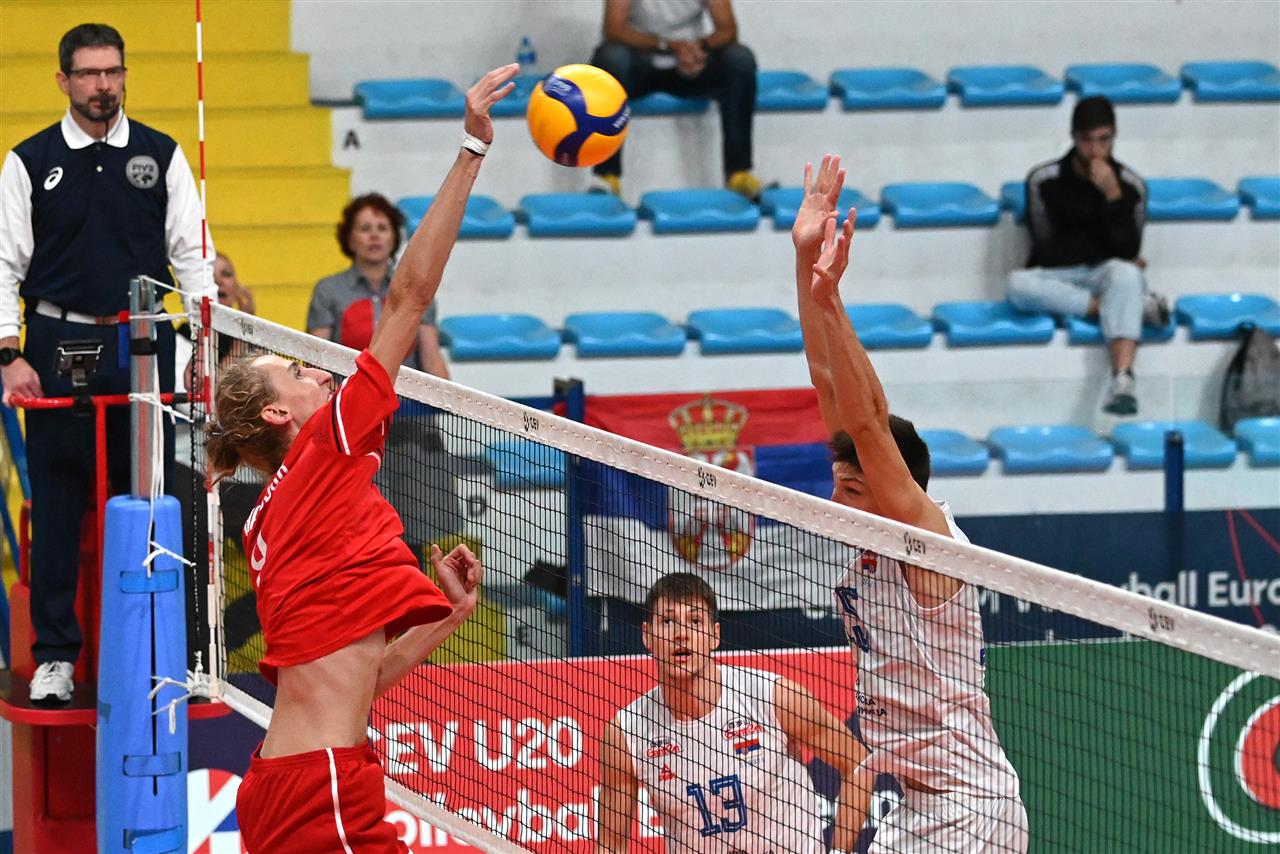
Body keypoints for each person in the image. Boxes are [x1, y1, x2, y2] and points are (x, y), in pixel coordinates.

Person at [204, 63, 518, 853]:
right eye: (297, 370)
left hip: (292, 781)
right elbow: (409, 296)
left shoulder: (270, 522)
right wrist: (471, 150)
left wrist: (449, 615)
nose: (320, 372)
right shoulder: (322, 452)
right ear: (279, 414)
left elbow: (360, 679)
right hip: (324, 791)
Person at [794, 156, 1028, 852]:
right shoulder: (866, 538)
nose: (837, 499)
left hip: (970, 806)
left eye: (853, 487)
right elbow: (828, 383)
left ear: (896, 489)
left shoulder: (924, 536)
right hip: (918, 803)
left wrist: (833, 300)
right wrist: (805, 258)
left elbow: (868, 424)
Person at [0, 23, 213, 704]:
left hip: (142, 345)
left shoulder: (162, 155)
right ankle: (55, 659)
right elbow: (4, 266)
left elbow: (193, 259)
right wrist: (8, 355)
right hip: (54, 346)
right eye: (90, 73)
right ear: (63, 80)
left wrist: (203, 348)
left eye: (113, 72)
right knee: (58, 508)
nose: (103, 86)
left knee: (152, 503)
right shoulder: (28, 161)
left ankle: (161, 652)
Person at [596, 572, 870, 853]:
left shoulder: (774, 698)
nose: (681, 634)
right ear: (647, 635)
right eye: (667, 621)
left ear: (714, 635)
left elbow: (858, 762)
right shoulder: (626, 733)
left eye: (695, 621)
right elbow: (609, 845)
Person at [1006, 95, 1170, 416]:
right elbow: (1046, 248)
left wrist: (1112, 196)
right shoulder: (1044, 179)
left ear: (1114, 136)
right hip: (1059, 275)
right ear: (1074, 137)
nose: (1095, 150)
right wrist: (1104, 249)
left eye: (1104, 140)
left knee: (1126, 274)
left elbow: (1128, 250)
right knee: (1017, 284)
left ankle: (1122, 379)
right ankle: (1129, 305)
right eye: (1087, 140)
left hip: (1106, 273)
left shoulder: (1130, 185)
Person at [590, 0, 763, 201]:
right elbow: (614, 29)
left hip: (690, 65)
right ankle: (607, 176)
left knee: (740, 59)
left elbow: (728, 29)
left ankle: (738, 174)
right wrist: (668, 46)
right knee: (610, 58)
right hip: (640, 63)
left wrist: (698, 49)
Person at [307, 192, 449, 378]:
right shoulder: (327, 290)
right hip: (345, 393)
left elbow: (431, 358)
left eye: (382, 228)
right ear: (350, 239)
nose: (374, 235)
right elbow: (316, 360)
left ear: (394, 238)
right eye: (365, 228)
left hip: (404, 395)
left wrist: (451, 397)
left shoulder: (417, 288)